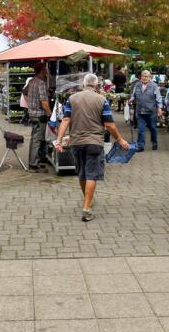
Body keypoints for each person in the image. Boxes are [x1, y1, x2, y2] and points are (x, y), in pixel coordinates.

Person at [55, 73, 130, 222]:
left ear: (83, 84)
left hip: (76, 142)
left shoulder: (72, 99)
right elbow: (109, 124)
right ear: (96, 85)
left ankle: (86, 201)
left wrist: (58, 140)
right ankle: (87, 208)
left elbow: (65, 119)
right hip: (94, 142)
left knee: (82, 173)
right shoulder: (102, 100)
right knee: (92, 175)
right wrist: (120, 139)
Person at [26, 62, 53, 171]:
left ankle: (41, 159)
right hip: (39, 115)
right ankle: (33, 163)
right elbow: (44, 102)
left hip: (32, 113)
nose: (47, 72)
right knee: (37, 139)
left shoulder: (31, 81)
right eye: (45, 70)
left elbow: (25, 91)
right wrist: (50, 114)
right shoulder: (41, 83)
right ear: (42, 71)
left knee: (38, 138)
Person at [129, 70, 162, 151]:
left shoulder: (154, 86)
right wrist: (131, 99)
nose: (144, 78)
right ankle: (140, 146)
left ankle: (154, 142)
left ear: (150, 77)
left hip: (151, 112)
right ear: (141, 76)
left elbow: (159, 98)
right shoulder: (137, 85)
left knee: (153, 129)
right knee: (141, 130)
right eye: (143, 76)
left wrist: (160, 108)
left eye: (146, 76)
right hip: (140, 111)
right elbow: (133, 95)